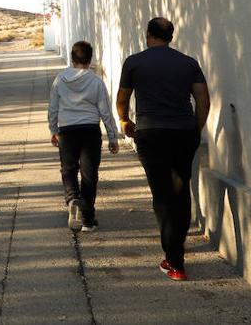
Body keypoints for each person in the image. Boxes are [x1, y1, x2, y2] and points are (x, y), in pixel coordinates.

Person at [116, 16, 211, 282]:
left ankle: (174, 259)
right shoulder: (189, 63)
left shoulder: (134, 62)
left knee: (161, 195)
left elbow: (122, 98)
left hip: (150, 134)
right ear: (171, 36)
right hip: (183, 133)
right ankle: (175, 258)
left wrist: (125, 120)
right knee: (180, 194)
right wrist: (196, 129)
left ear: (148, 34)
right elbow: (203, 100)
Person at [48, 40, 119, 233]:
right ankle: (88, 219)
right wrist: (113, 137)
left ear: (72, 58)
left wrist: (53, 129)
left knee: (68, 169)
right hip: (90, 131)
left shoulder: (60, 79)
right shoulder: (96, 81)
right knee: (89, 175)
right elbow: (105, 111)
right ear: (90, 59)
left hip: (68, 131)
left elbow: (53, 108)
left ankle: (72, 199)